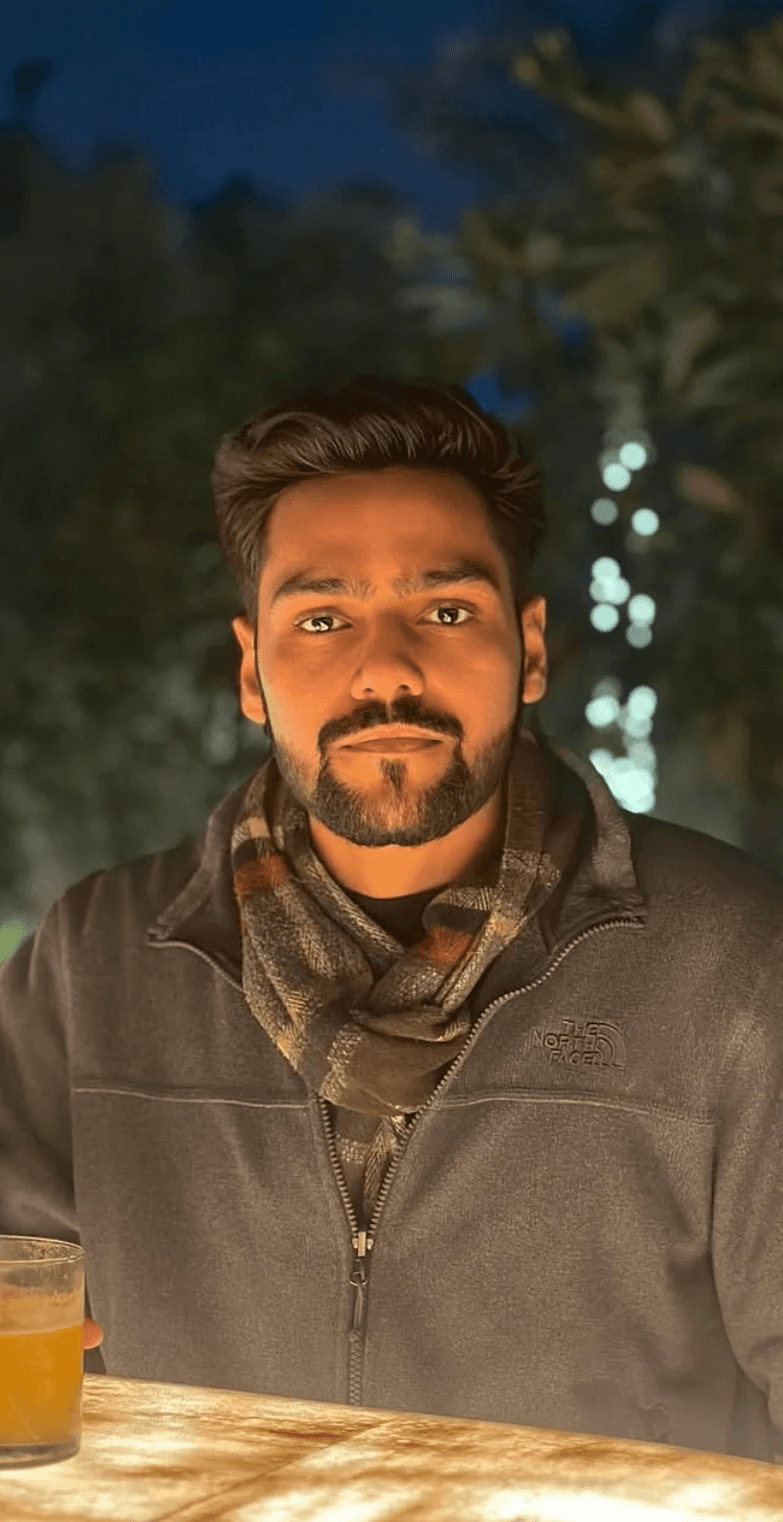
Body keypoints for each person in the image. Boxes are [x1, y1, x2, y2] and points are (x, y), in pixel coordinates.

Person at [2, 374, 783, 1464]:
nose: (386, 669)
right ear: (252, 671)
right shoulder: (96, 963)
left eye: (446, 609)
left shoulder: (734, 962)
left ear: (534, 647)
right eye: (323, 617)